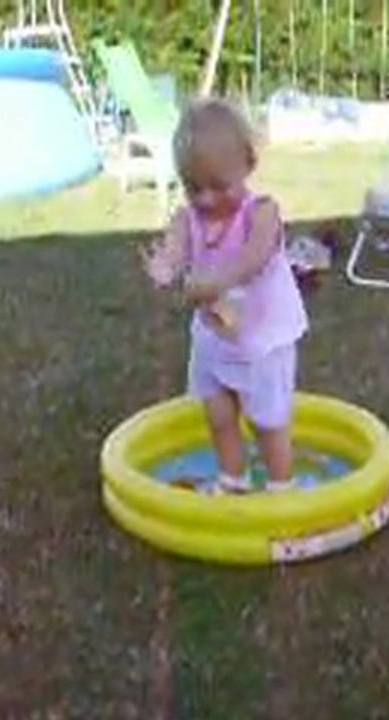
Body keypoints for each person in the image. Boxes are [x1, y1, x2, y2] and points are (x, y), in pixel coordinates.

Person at [140, 98, 308, 493]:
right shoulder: (188, 218)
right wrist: (164, 267)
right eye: (193, 187)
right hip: (215, 339)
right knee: (218, 414)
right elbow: (175, 249)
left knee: (267, 421)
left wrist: (219, 279)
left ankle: (283, 488)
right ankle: (234, 478)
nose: (206, 199)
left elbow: (254, 256)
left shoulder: (261, 213)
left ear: (248, 166)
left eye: (219, 186)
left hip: (263, 340)